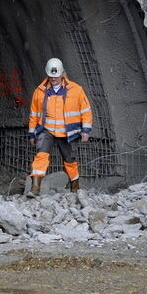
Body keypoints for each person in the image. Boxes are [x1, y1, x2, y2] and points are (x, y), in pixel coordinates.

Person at [26, 58, 92, 197]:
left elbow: (86, 111)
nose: (53, 79)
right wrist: (32, 134)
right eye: (51, 76)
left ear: (62, 74)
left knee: (70, 161)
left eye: (56, 76)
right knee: (40, 157)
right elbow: (34, 114)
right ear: (47, 74)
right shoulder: (40, 91)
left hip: (67, 132)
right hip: (47, 130)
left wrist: (86, 130)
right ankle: (35, 188)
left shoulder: (76, 90)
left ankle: (75, 187)